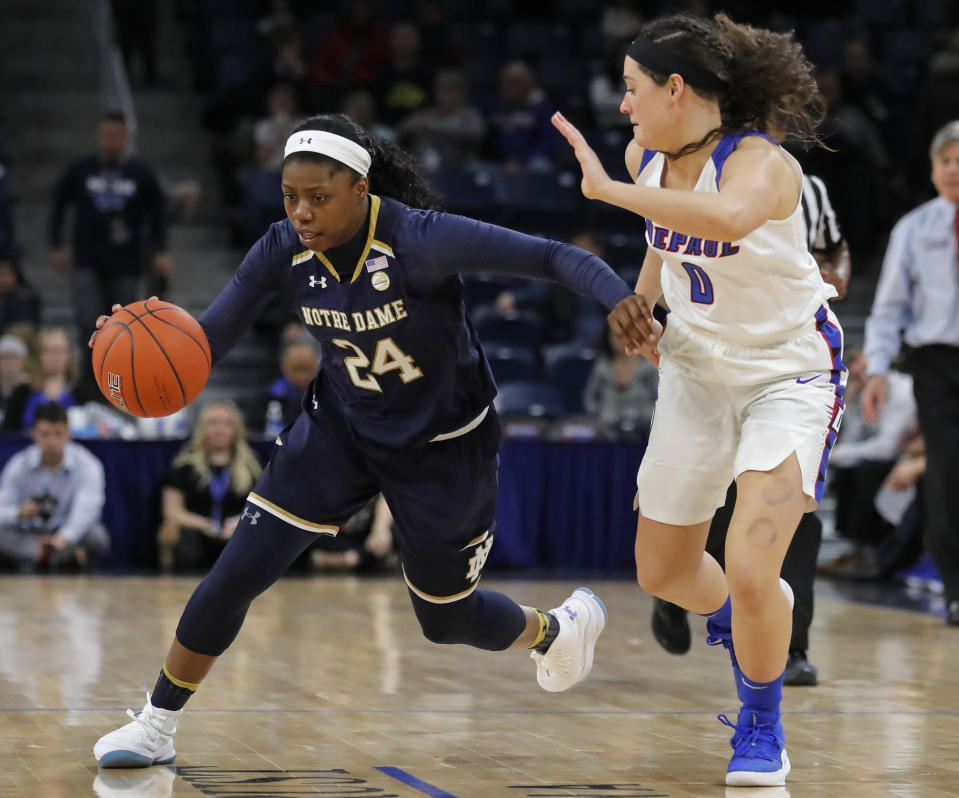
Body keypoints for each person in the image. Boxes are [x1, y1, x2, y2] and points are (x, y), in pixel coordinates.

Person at [92, 112, 630, 768]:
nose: (302, 213)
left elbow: (552, 256)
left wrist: (619, 299)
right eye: (290, 197)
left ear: (360, 187)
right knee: (239, 570)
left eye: (319, 197)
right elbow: (204, 344)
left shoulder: (420, 241)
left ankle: (554, 630)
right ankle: (155, 725)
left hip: (443, 449)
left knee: (444, 619)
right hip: (341, 430)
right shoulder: (280, 250)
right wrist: (136, 341)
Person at [553, 13, 843, 787]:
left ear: (674, 88)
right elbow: (662, 230)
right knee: (662, 572)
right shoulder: (645, 153)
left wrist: (605, 192)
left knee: (750, 568)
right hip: (693, 371)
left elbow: (724, 218)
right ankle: (744, 615)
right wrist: (645, 304)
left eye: (631, 88)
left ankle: (760, 723)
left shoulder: (761, 165)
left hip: (786, 374)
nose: (622, 105)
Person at [650, 167, 853, 687]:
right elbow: (663, 241)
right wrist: (639, 302)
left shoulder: (795, 179)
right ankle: (691, 598)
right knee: (679, 553)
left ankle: (790, 653)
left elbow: (835, 247)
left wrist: (835, 276)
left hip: (785, 363)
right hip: (703, 363)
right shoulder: (659, 162)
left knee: (776, 537)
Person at [862, 119, 959, 627]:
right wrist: (876, 370)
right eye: (945, 161)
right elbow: (888, 309)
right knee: (944, 474)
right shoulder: (915, 228)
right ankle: (956, 588)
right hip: (937, 363)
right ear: (932, 169)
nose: (954, 170)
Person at [49, 111, 172, 351]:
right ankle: (89, 386)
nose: (109, 140)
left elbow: (159, 214)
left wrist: (161, 250)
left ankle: (119, 385)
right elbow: (59, 204)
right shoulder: (81, 169)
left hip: (126, 261)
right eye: (105, 135)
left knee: (124, 326)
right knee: (88, 325)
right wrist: (57, 243)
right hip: (86, 259)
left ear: (126, 137)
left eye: (115, 135)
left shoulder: (141, 173)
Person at [0, 401, 108, 571]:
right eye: (45, 434)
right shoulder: (19, 465)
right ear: (35, 434)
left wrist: (63, 537)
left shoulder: (88, 464)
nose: (52, 441)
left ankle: (46, 557)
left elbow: (87, 510)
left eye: (58, 434)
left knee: (96, 536)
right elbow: (1, 508)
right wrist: (18, 513)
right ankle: (49, 557)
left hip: (65, 534)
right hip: (30, 536)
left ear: (68, 434)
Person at [157, 401, 263, 573]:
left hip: (235, 533)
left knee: (258, 530)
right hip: (198, 534)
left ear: (236, 430)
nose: (219, 430)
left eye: (227, 424)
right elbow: (172, 511)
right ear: (202, 429)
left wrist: (239, 522)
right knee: (173, 530)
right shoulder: (184, 466)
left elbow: (264, 509)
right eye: (213, 423)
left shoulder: (253, 466)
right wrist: (204, 524)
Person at [583, 325, 658, 436]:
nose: (619, 340)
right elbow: (590, 398)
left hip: (643, 430)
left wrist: (648, 420)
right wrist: (599, 417)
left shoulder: (650, 367)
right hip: (606, 430)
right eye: (615, 335)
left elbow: (660, 400)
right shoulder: (602, 367)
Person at [0, 334, 31, 433]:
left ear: (23, 360)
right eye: (4, 357)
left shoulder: (32, 391)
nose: (7, 362)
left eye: (13, 357)